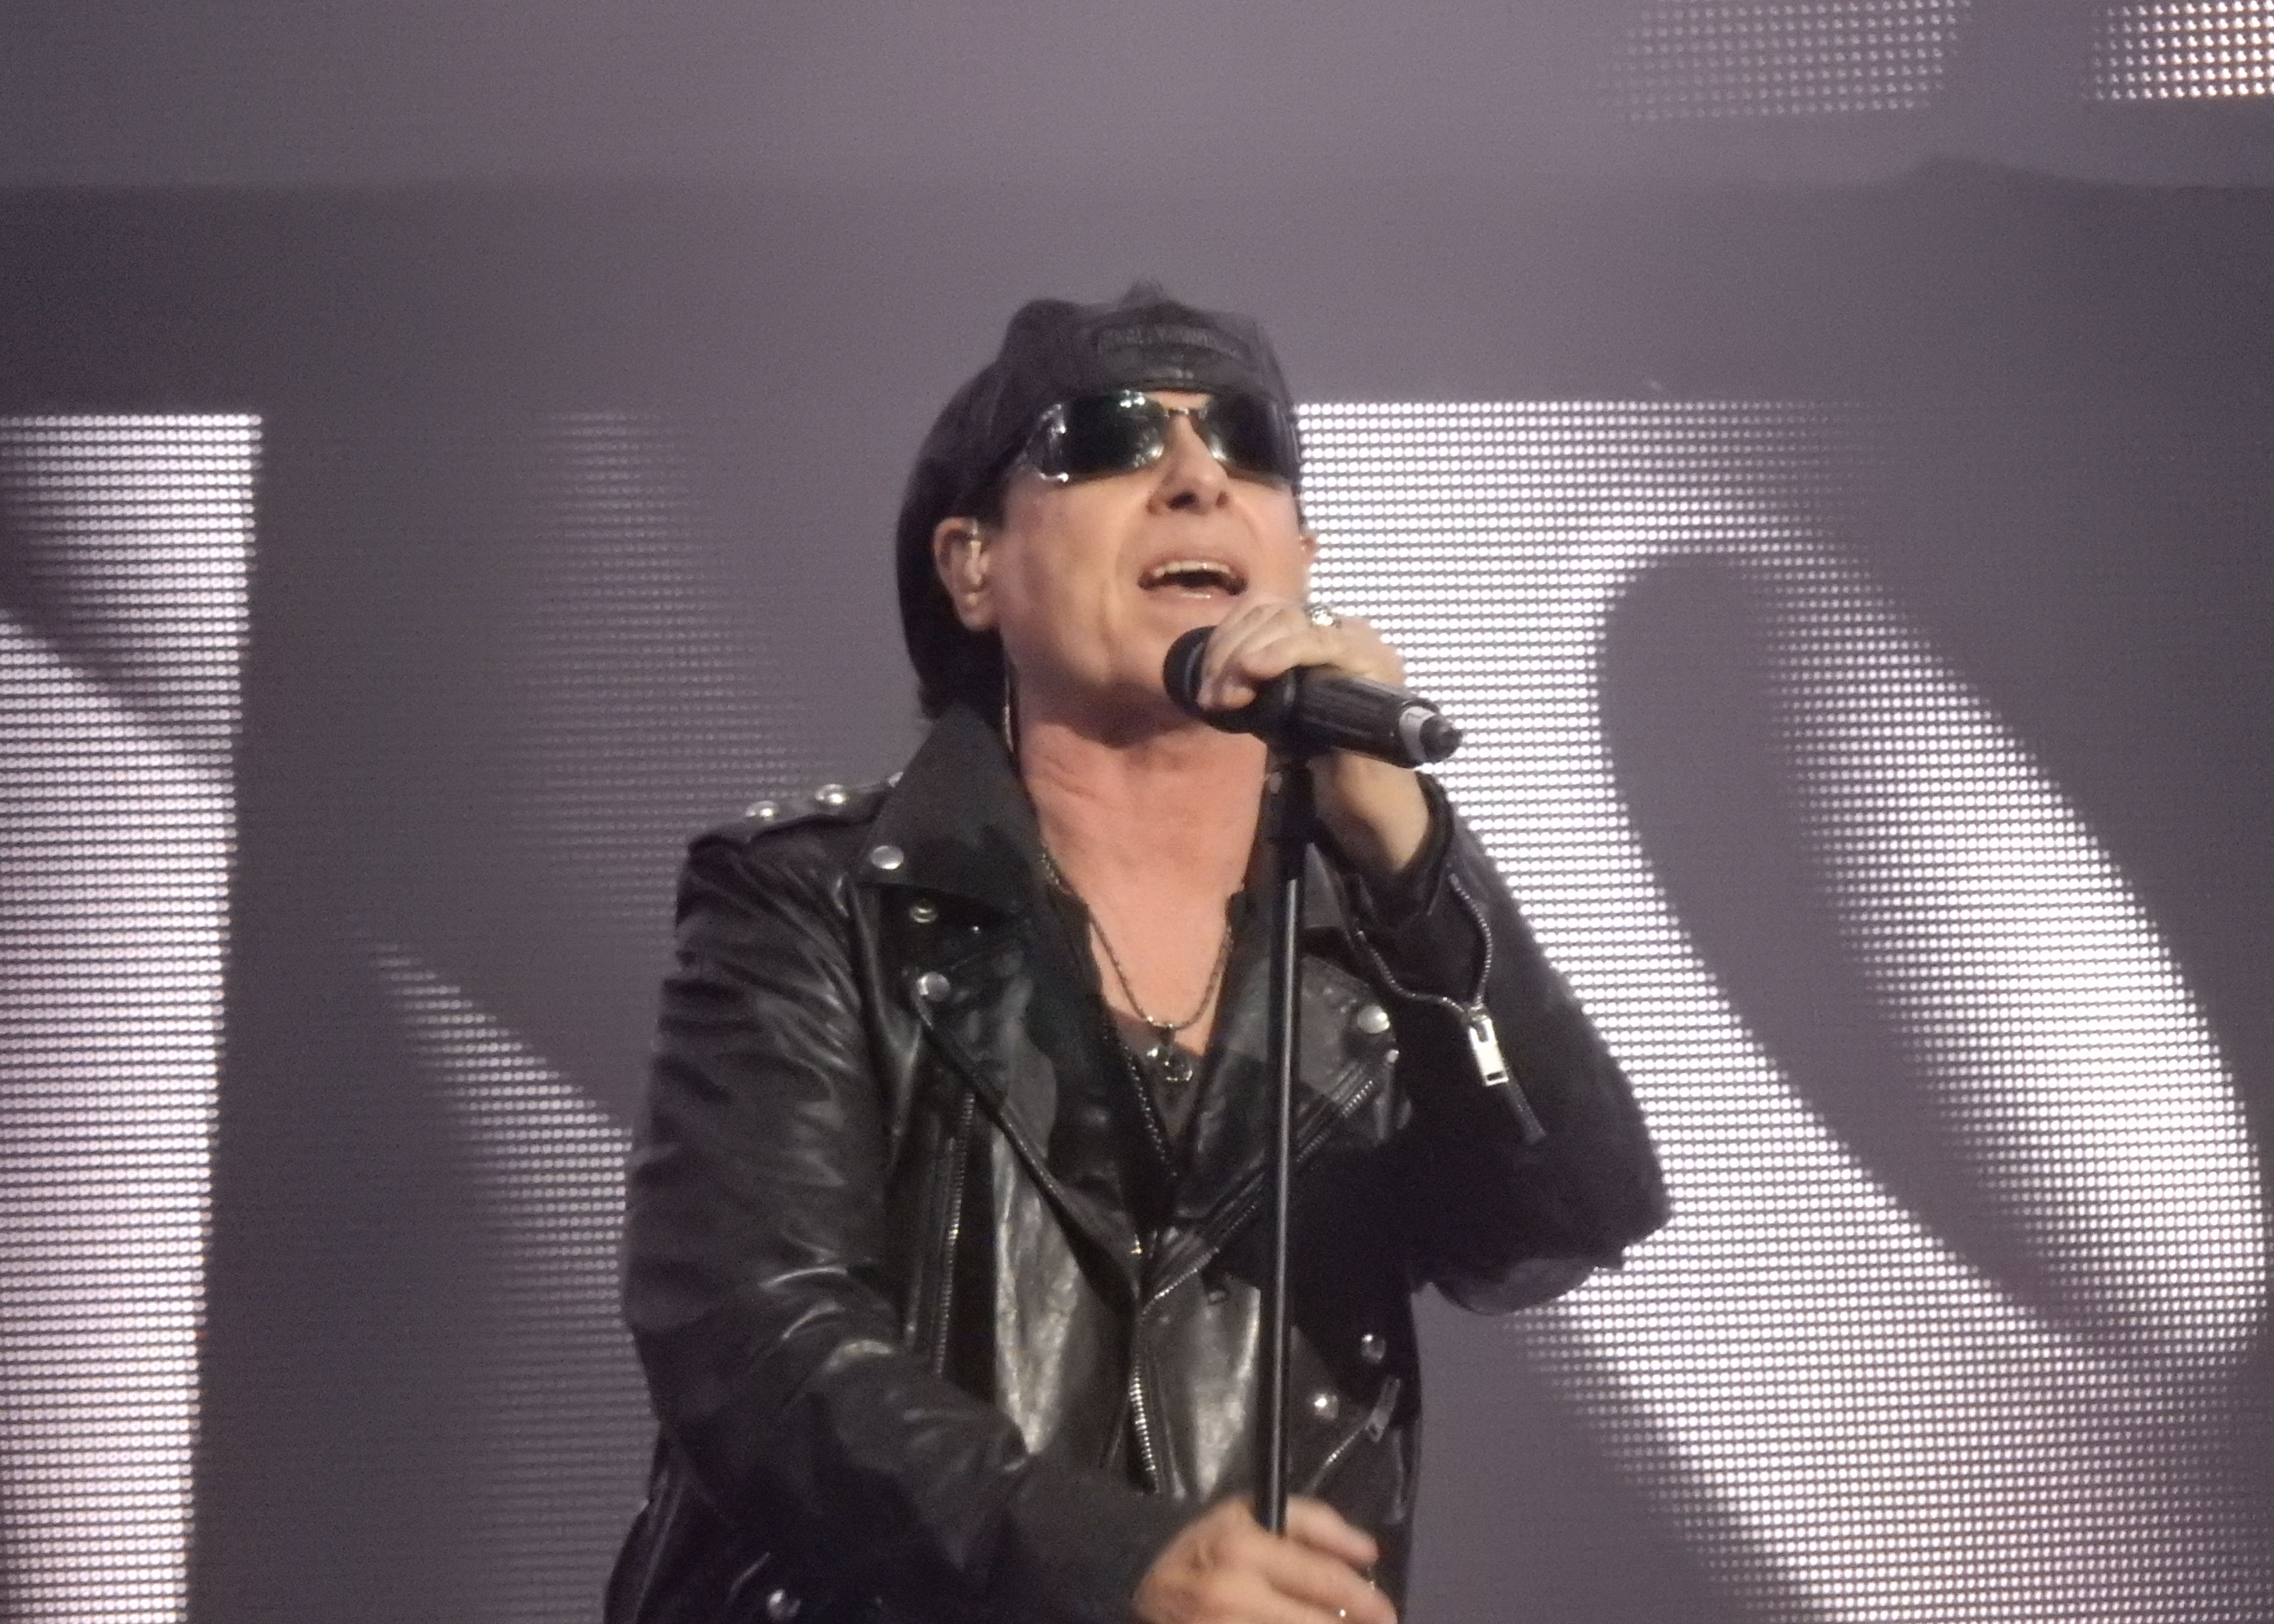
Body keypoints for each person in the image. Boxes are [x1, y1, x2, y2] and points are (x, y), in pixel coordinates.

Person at [606, 287, 1668, 1624]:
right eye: (1106, 438)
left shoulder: (1368, 933)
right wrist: (1111, 1564)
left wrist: (1413, 861)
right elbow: (749, 1337)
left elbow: (1564, 1224)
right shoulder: (818, 902)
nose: (1195, 479)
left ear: (1301, 556)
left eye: (1245, 444)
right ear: (973, 568)